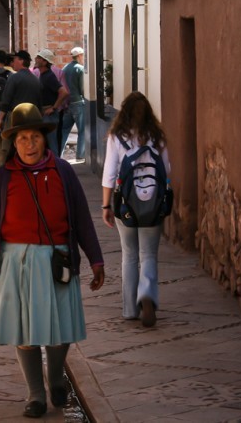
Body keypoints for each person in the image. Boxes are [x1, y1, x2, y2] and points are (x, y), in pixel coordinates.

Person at [0, 103, 105, 418]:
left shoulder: (63, 172)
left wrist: (96, 259)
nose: (29, 144)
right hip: (15, 263)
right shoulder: (2, 178)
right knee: (24, 334)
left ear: (44, 139)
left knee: (60, 330)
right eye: (22, 139)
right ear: (13, 143)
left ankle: (56, 374)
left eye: (35, 137)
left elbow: (82, 219)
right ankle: (35, 394)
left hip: (56, 261)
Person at [100, 92, 170, 327]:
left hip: (125, 204)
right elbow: (167, 171)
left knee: (129, 255)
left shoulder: (116, 137)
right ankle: (147, 293)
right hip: (153, 203)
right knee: (148, 255)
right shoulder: (157, 136)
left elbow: (109, 174)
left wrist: (106, 205)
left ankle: (130, 309)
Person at [34, 49, 69, 154]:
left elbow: (64, 92)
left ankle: (56, 167)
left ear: (45, 62)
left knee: (51, 144)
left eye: (39, 58)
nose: (36, 59)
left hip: (49, 115)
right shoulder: (43, 75)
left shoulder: (49, 76)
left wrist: (53, 108)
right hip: (45, 114)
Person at [0, 50, 42, 131]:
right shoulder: (36, 79)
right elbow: (40, 102)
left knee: (9, 141)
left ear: (21, 60)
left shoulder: (14, 78)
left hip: (15, 117)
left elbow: (6, 100)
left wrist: (0, 118)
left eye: (15, 59)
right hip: (32, 118)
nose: (13, 62)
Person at [60, 47, 86, 161]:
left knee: (64, 131)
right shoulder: (80, 69)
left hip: (67, 103)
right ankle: (80, 156)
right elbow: (82, 88)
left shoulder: (65, 68)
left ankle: (58, 155)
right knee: (82, 131)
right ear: (79, 55)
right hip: (78, 103)